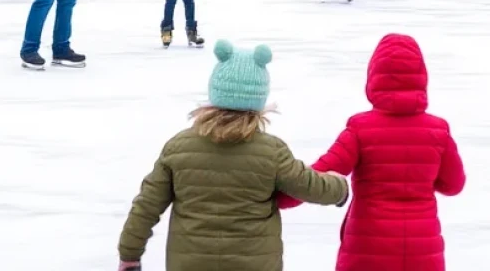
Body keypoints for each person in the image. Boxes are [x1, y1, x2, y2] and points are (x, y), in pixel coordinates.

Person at [116, 40, 349, 271]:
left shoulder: (179, 147)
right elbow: (307, 185)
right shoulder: (271, 152)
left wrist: (129, 255)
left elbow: (146, 206)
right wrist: (338, 188)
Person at [276, 34, 465, 271]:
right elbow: (453, 184)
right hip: (422, 253)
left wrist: (279, 197)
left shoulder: (360, 129)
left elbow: (321, 172)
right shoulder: (438, 131)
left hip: (367, 251)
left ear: (374, 77)